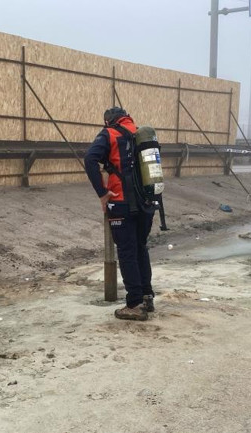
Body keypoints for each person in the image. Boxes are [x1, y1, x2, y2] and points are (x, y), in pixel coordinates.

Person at [84, 107, 156, 321]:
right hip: (147, 203)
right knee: (140, 248)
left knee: (127, 252)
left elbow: (90, 160)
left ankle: (134, 304)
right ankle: (146, 296)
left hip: (121, 203)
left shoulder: (110, 134)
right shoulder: (141, 133)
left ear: (108, 121)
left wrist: (103, 193)